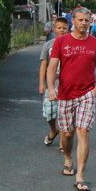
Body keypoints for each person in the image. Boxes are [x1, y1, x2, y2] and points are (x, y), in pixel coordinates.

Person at [47, 7, 96, 191]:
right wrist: (51, 88)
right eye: (80, 20)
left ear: (90, 22)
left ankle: (80, 175)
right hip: (65, 94)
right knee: (67, 134)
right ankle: (67, 157)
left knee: (83, 131)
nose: (83, 23)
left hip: (86, 94)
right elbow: (52, 67)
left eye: (86, 20)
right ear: (73, 21)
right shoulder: (61, 41)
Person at [39, 17, 68, 147]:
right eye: (59, 28)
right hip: (51, 83)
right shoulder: (48, 45)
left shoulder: (70, 43)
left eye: (64, 28)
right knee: (50, 113)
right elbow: (43, 65)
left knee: (63, 112)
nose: (62, 30)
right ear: (54, 29)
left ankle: (63, 142)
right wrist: (42, 83)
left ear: (68, 29)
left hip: (66, 83)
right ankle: (53, 130)